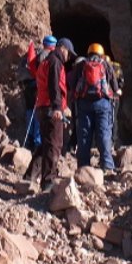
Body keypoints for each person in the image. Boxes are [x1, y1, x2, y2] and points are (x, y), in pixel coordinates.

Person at [25, 37, 77, 191]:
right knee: (55, 144)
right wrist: (57, 108)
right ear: (63, 48)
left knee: (46, 143)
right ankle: (48, 181)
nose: (68, 58)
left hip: (42, 106)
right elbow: (54, 85)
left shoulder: (46, 61)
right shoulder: (55, 62)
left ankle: (29, 177)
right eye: (69, 53)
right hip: (50, 107)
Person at [74, 44, 119, 172]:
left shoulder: (81, 65)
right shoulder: (105, 64)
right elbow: (114, 85)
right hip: (103, 103)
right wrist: (116, 91)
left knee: (84, 135)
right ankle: (107, 165)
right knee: (104, 133)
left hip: (84, 104)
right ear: (101, 53)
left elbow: (73, 83)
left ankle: (83, 167)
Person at [19, 35, 56, 151]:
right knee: (38, 113)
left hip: (27, 86)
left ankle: (29, 138)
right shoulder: (46, 54)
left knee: (30, 111)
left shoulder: (33, 53)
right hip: (37, 86)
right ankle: (37, 141)